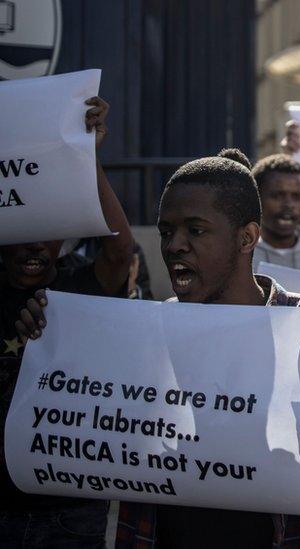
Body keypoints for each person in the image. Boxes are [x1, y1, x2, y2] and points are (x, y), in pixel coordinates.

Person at [17, 148, 300, 548]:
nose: (174, 245)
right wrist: (46, 354)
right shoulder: (146, 332)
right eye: (166, 232)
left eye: (195, 230)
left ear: (246, 237)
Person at [0, 96, 133, 548]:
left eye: (46, 233)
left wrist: (84, 157)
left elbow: (120, 250)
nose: (33, 247)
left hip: (69, 509)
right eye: (21, 234)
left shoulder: (82, 284)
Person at [250, 153, 300, 274]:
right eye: (277, 195)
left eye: (297, 196)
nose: (288, 204)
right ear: (257, 198)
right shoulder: (239, 261)